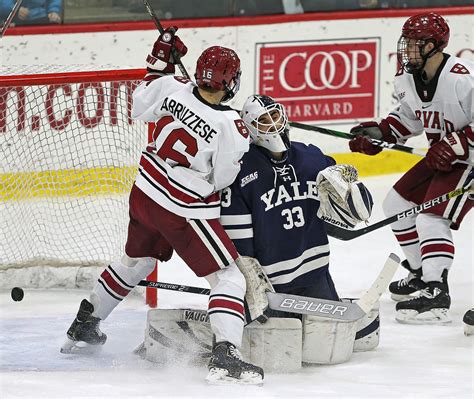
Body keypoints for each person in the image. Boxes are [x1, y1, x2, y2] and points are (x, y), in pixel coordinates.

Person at [61, 26, 264, 385]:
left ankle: (84, 324)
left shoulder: (172, 87)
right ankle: (227, 354)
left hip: (143, 194)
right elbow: (222, 180)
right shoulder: (230, 124)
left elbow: (141, 102)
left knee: (137, 261)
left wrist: (162, 62)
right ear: (231, 83)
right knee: (229, 276)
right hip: (181, 210)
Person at [219, 94, 377, 354]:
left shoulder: (312, 157)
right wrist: (249, 281)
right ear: (249, 128)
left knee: (326, 346)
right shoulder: (241, 171)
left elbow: (343, 209)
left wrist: (350, 190)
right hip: (272, 283)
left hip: (315, 272)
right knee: (280, 350)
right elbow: (238, 238)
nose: (273, 124)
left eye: (275, 115)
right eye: (263, 120)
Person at [348, 12, 473, 324]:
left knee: (432, 216)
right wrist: (378, 134)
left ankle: (436, 292)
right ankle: (420, 272)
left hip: (470, 162)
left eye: (414, 44)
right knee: (396, 204)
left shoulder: (462, 77)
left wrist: (457, 143)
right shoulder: (407, 79)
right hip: (443, 160)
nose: (406, 50)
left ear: (432, 46)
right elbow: (408, 119)